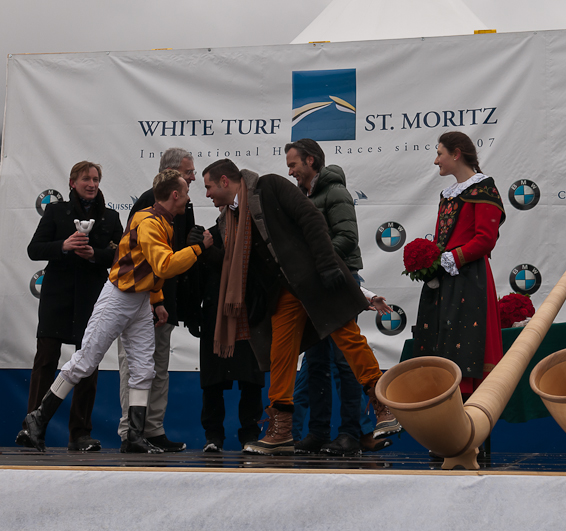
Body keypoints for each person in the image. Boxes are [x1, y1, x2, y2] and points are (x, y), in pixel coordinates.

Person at [201, 158, 399, 456]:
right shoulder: (228, 219)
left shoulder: (270, 186)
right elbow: (236, 267)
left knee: (348, 340)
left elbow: (311, 219)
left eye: (208, 187)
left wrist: (326, 264)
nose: (206, 194)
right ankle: (281, 430)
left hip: (314, 278)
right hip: (283, 293)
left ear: (225, 181)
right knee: (280, 355)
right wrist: (208, 252)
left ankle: (384, 407)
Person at [17, 169, 212, 453]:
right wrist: (197, 249)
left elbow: (149, 267)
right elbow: (164, 266)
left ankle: (133, 435)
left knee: (144, 369)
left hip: (139, 300)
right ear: (174, 195)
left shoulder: (161, 220)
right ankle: (36, 420)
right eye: (185, 192)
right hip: (119, 297)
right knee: (85, 361)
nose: (188, 198)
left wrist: (157, 300)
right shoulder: (149, 222)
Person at [285, 138, 394, 457]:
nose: (290, 172)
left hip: (338, 281)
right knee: (317, 362)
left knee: (346, 361)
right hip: (313, 286)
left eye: (293, 165)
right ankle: (318, 432)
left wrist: (314, 263)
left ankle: (349, 432)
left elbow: (347, 239)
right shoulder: (302, 196)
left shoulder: (335, 192)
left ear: (310, 161)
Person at [16, 161, 123, 452]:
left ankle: (80, 434)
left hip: (92, 297)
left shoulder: (111, 217)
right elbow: (34, 249)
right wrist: (63, 245)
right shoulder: (54, 211)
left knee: (88, 363)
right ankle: (31, 428)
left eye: (96, 179)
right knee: (46, 359)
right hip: (56, 296)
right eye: (86, 179)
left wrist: (93, 255)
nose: (92, 184)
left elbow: (121, 258)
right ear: (72, 182)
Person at [118, 147, 201, 453]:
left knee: (159, 368)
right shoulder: (146, 205)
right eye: (188, 171)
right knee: (134, 367)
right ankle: (130, 430)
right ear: (172, 176)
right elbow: (149, 262)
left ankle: (153, 429)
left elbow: (177, 258)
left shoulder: (185, 206)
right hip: (141, 301)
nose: (193, 177)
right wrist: (155, 300)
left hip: (167, 301)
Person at [412, 131, 505, 398]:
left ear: (456, 154)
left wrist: (451, 258)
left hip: (470, 278)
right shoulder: (449, 194)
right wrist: (431, 262)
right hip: (446, 279)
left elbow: (485, 240)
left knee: (467, 345)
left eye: (439, 153)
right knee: (444, 344)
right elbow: (443, 239)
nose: (435, 160)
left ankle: (472, 413)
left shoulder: (483, 188)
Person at [198, 224, 265, 452]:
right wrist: (192, 314)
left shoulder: (255, 237)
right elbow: (198, 278)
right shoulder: (210, 236)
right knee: (213, 382)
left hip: (249, 314)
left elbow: (263, 276)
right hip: (215, 316)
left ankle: (250, 435)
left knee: (251, 381)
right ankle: (213, 437)